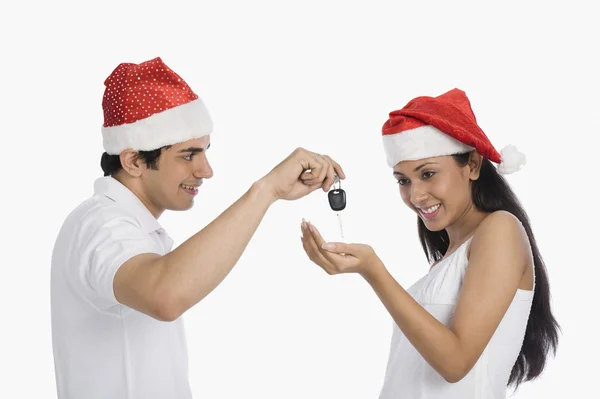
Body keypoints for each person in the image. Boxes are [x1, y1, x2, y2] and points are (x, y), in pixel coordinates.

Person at [50, 56, 346, 399]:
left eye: (204, 152)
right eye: (188, 155)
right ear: (133, 161)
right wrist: (266, 191)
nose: (206, 170)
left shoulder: (129, 227)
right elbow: (165, 295)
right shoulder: (103, 226)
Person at [300, 88, 560, 398]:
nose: (415, 195)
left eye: (428, 174)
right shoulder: (447, 259)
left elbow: (455, 362)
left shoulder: (500, 229)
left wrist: (373, 271)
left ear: (473, 165)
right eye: (403, 180)